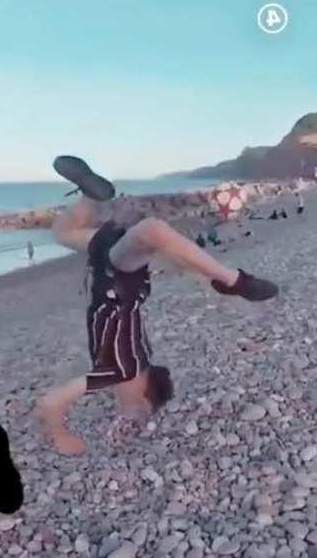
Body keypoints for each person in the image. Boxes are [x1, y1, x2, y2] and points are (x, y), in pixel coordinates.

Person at [36, 156, 278, 455]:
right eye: (133, 408)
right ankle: (233, 279)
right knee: (153, 231)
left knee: (63, 233)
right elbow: (50, 402)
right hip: (118, 279)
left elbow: (174, 265)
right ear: (144, 394)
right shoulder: (120, 371)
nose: (123, 406)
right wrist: (61, 437)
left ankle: (90, 195)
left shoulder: (138, 357)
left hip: (107, 270)